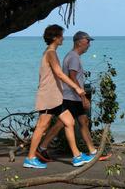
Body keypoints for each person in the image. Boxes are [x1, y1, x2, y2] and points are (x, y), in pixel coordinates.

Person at [23, 25, 94, 169]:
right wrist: (77, 88)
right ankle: (30, 158)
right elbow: (60, 74)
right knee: (42, 126)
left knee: (68, 122)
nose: (63, 38)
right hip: (48, 96)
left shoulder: (52, 52)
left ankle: (76, 156)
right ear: (55, 37)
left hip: (55, 96)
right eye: (61, 35)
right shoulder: (50, 53)